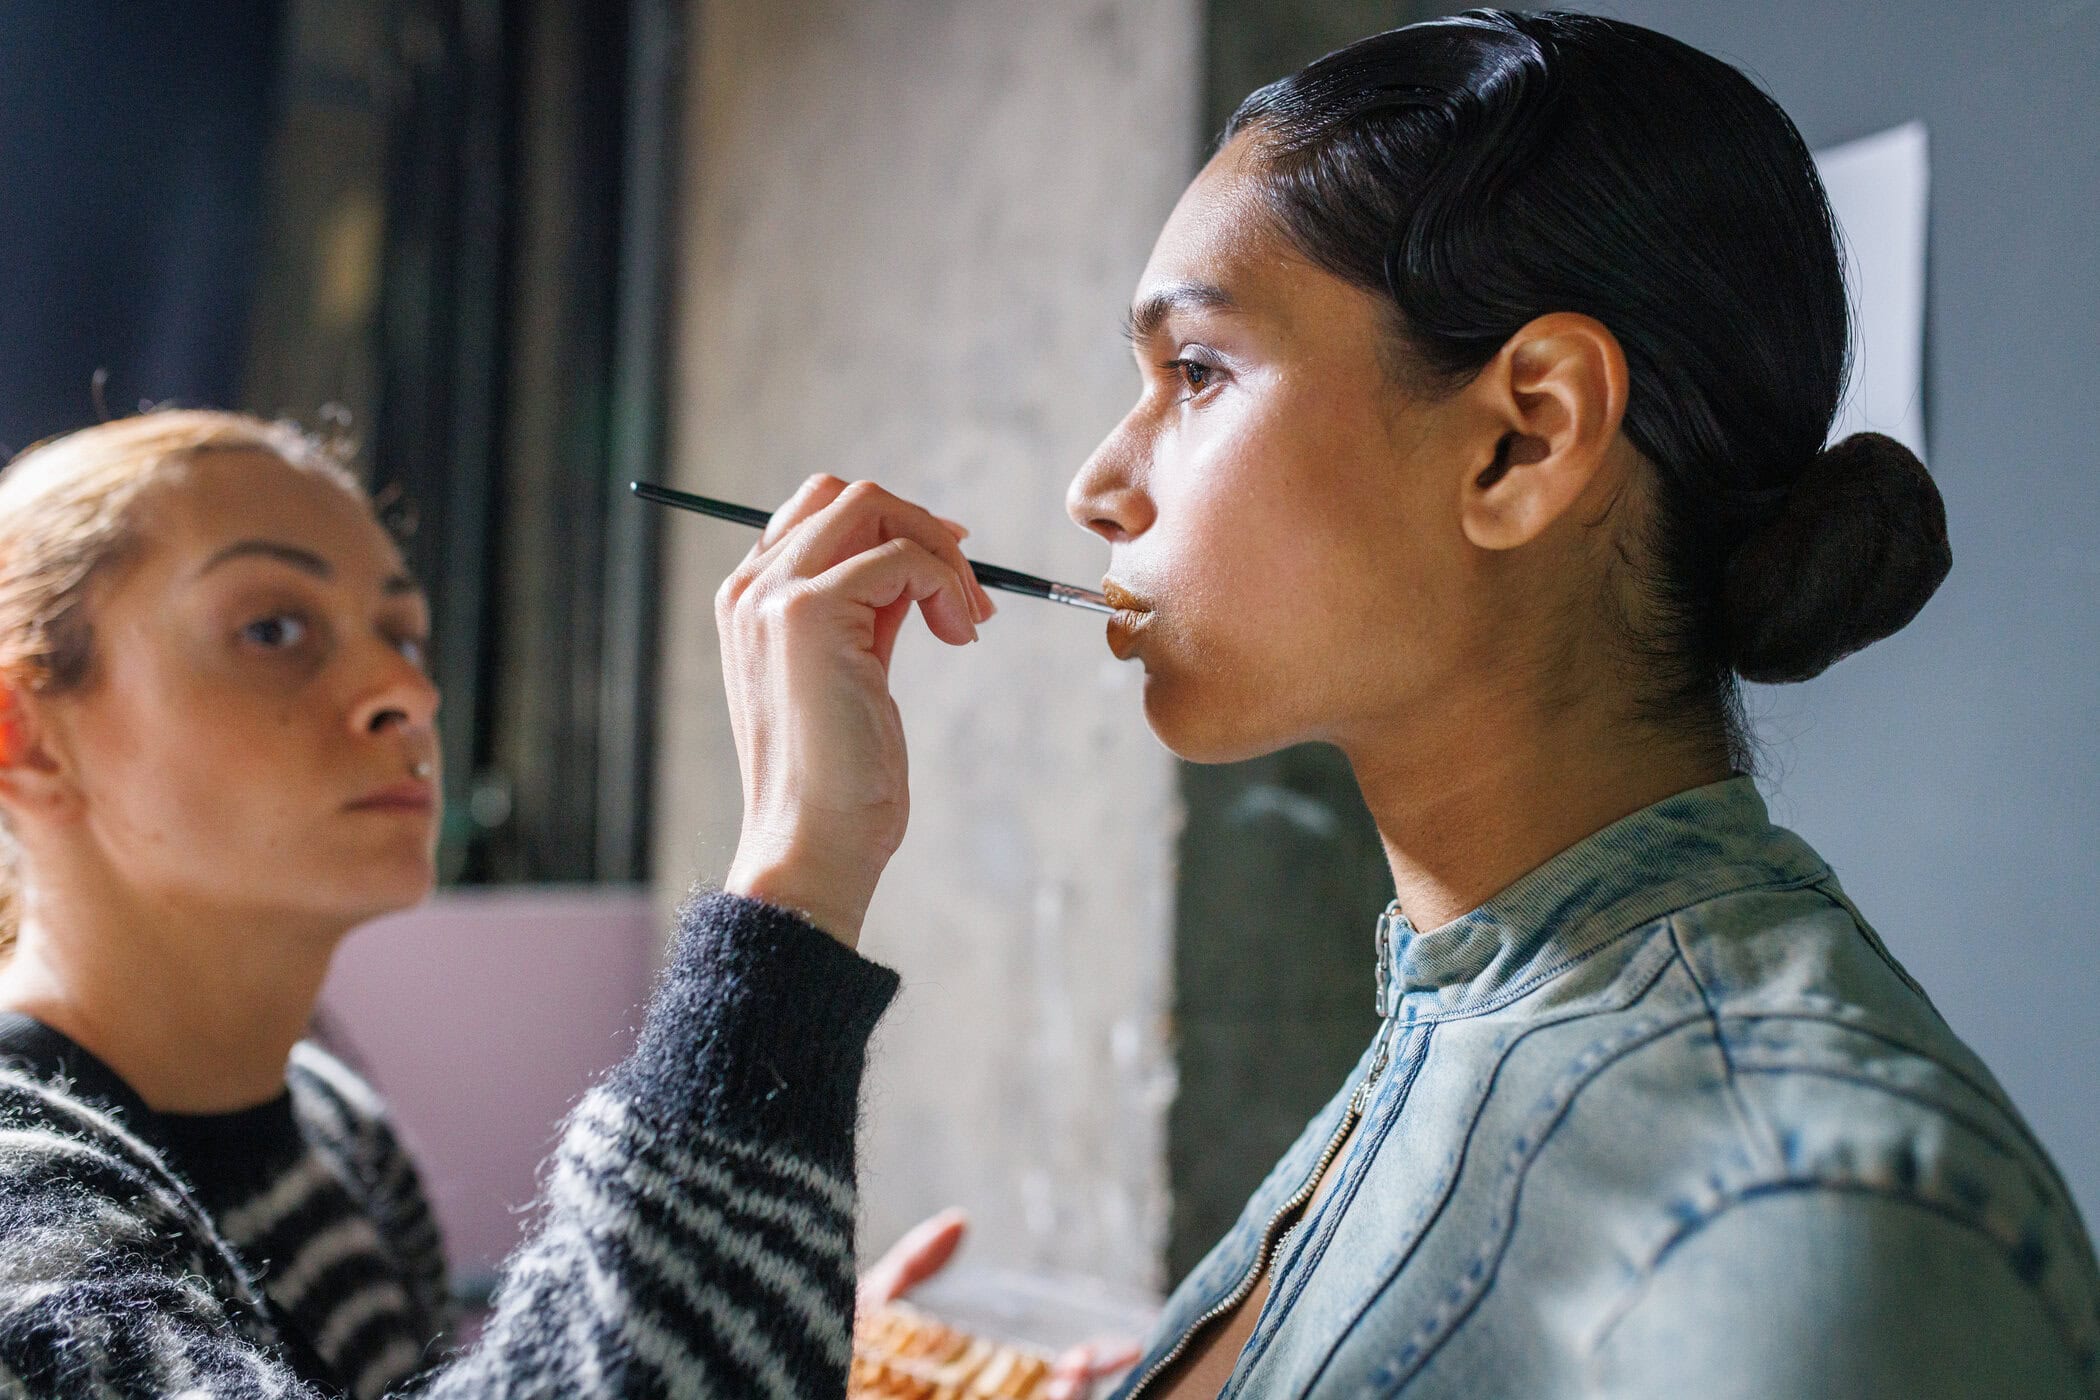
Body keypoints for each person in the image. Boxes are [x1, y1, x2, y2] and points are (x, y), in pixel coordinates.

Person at [718, 10, 2100, 1399]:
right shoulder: (1461, 1018)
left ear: (1525, 437)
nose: (1097, 486)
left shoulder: (1799, 1234)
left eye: (1194, 371)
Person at [0, 409, 996, 1398]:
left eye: (403, 631)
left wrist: (768, 1330)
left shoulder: (341, 1134)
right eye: (273, 628)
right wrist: (798, 861)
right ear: (25, 734)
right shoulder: (16, 1188)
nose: (406, 689)